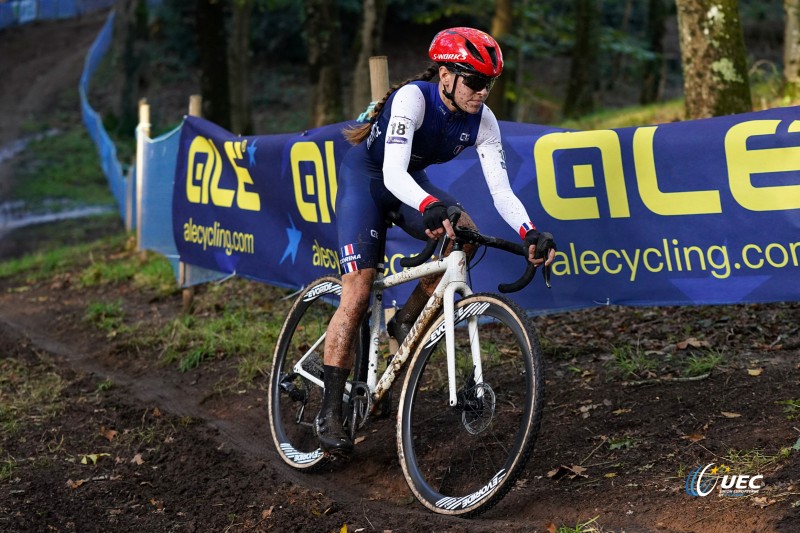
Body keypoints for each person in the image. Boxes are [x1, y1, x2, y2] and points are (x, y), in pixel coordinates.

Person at [316, 27, 557, 455]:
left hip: (410, 182)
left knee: (464, 231)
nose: (483, 93)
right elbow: (391, 174)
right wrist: (429, 203)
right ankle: (330, 410)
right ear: (445, 74)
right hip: (368, 182)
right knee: (356, 293)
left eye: (490, 83)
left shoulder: (483, 121)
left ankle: (406, 319)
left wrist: (529, 230)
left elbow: (501, 191)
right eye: (475, 81)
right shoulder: (412, 98)